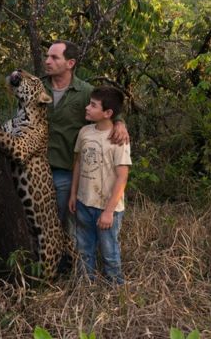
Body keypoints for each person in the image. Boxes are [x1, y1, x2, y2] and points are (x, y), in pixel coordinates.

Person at [42, 40, 129, 235]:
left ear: (70, 63)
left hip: (65, 169)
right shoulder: (37, 87)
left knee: (64, 223)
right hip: (36, 167)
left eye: (54, 57)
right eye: (47, 56)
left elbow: (108, 108)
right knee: (37, 220)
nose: (47, 61)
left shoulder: (85, 92)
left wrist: (120, 122)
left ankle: (68, 263)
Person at [68, 86, 131, 284]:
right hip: (84, 202)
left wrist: (109, 212)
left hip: (107, 208)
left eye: (93, 105)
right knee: (84, 248)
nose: (87, 108)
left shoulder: (118, 138)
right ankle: (85, 285)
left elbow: (122, 177)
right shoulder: (85, 132)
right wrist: (73, 195)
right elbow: (78, 163)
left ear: (108, 113)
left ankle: (116, 287)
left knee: (109, 250)